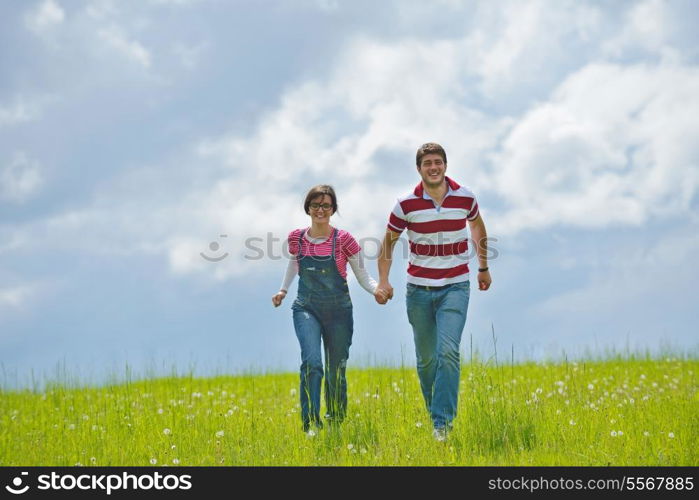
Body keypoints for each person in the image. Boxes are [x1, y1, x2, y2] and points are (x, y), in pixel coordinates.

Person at [376, 142, 492, 441]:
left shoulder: (465, 197)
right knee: (426, 360)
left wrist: (483, 267)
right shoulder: (405, 204)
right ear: (419, 169)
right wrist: (384, 281)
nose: (433, 167)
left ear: (445, 165)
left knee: (447, 352)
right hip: (419, 290)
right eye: (427, 163)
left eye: (438, 162)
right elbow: (388, 242)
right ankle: (434, 415)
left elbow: (477, 228)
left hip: (455, 286)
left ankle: (442, 425)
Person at [272, 184, 387, 434]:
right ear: (308, 208)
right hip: (306, 308)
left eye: (325, 205)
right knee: (312, 363)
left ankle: (335, 421)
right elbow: (294, 264)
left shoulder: (344, 240)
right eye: (315, 205)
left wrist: (377, 289)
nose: (320, 210)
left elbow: (362, 274)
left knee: (336, 370)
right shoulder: (297, 238)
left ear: (333, 209)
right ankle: (311, 422)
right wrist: (283, 290)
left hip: (339, 313)